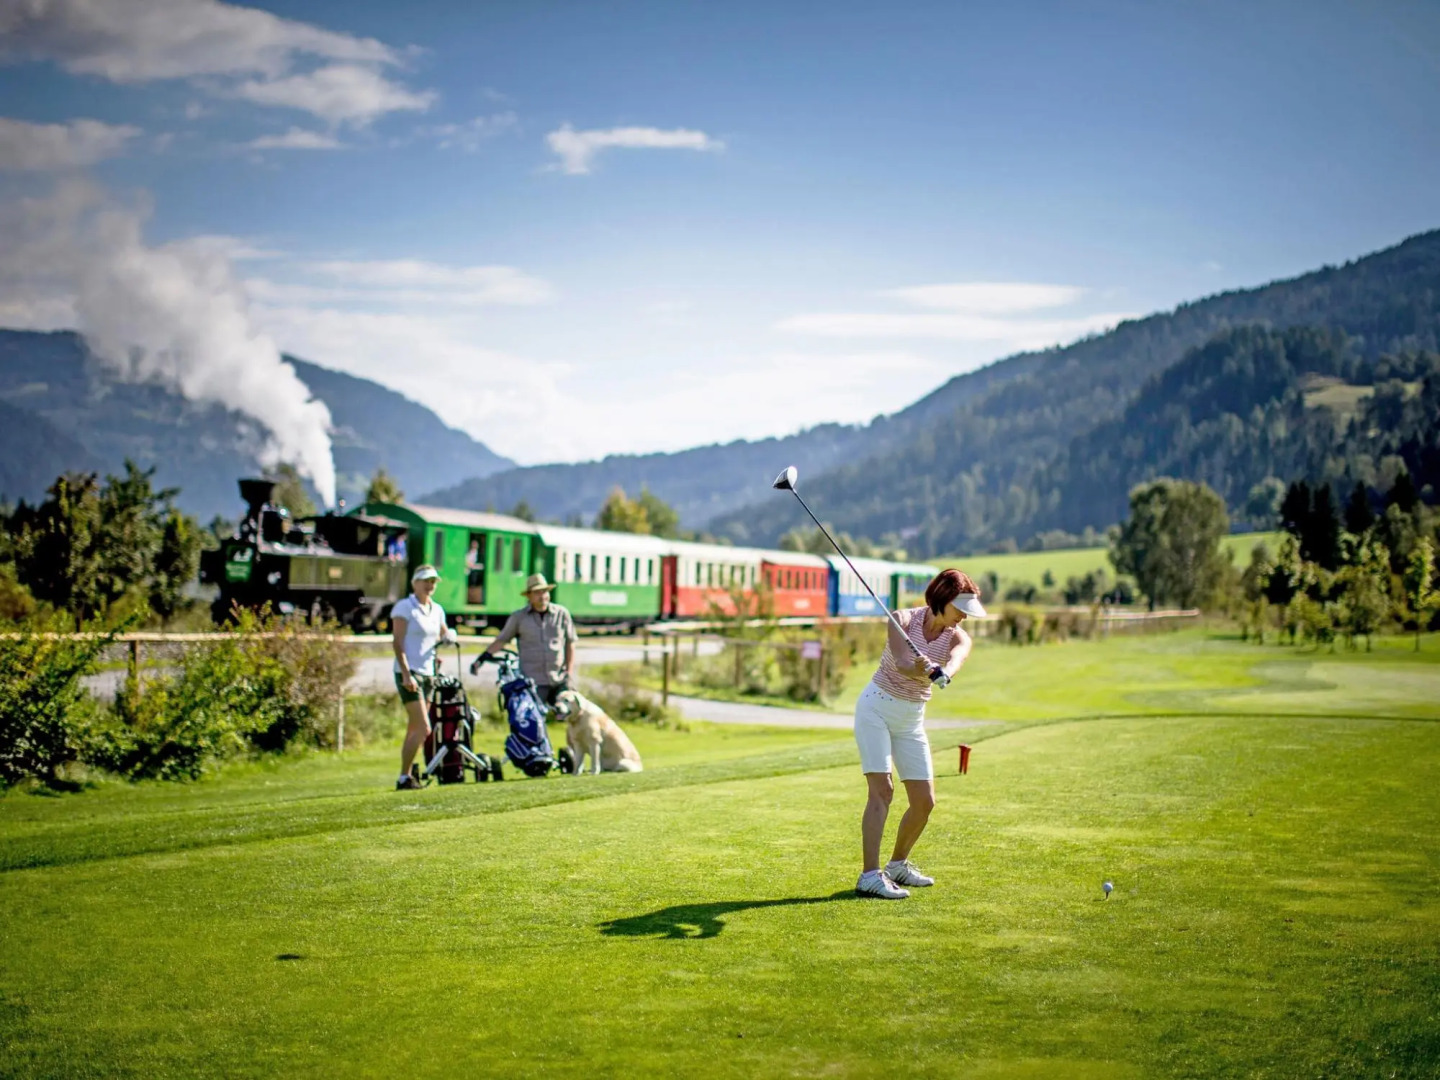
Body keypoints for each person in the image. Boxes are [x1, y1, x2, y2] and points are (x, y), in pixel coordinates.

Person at [853, 568, 985, 899]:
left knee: (924, 802)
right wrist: (919, 666)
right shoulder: (901, 619)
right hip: (876, 710)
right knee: (882, 790)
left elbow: (957, 659)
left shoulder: (958, 636)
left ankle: (897, 864)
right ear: (942, 601)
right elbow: (899, 661)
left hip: (911, 719)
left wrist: (943, 671)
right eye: (960, 610)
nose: (963, 618)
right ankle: (870, 875)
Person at [393, 564, 458, 791]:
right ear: (415, 583)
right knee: (424, 728)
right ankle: (404, 776)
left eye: (433, 582)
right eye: (425, 581)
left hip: (429, 673)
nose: (430, 585)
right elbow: (398, 642)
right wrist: (406, 673)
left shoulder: (437, 609)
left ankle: (407, 776)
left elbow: (443, 633)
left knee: (415, 728)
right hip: (410, 674)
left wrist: (450, 637)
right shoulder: (405, 607)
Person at [473, 572, 577, 706]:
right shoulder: (519, 617)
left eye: (544, 592)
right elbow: (502, 640)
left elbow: (570, 643)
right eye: (537, 593)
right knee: (534, 721)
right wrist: (482, 658)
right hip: (532, 682)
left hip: (558, 679)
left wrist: (569, 672)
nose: (542, 596)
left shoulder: (562, 614)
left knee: (568, 717)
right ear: (529, 596)